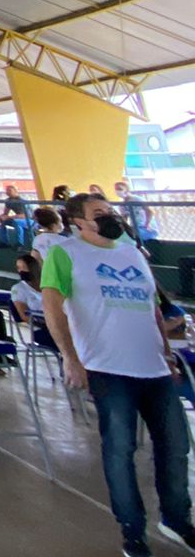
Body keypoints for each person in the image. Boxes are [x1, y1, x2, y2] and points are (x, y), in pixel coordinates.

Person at [44, 192, 195, 557]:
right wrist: (70, 357)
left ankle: (176, 519)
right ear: (78, 221)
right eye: (99, 213)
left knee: (176, 445)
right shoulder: (65, 253)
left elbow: (152, 309)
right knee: (120, 449)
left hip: (153, 367)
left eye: (110, 211)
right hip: (108, 368)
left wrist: (166, 353)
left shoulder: (132, 254)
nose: (110, 217)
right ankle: (132, 531)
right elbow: (53, 306)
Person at [0, 184, 32, 248]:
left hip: (30, 220)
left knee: (17, 222)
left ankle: (19, 244)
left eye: (10, 190)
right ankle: (4, 243)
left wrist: (8, 217)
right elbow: (5, 214)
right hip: (18, 219)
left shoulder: (22, 201)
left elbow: (24, 215)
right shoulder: (8, 201)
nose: (7, 192)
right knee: (2, 222)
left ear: (15, 191)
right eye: (6, 191)